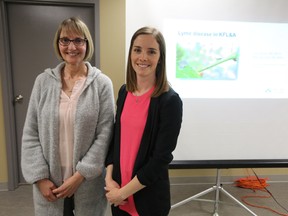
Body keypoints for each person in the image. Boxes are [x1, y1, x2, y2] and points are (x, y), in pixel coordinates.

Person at [21, 17, 115, 216]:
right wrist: (39, 178)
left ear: (86, 44)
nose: (71, 47)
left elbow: (105, 134)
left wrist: (81, 175)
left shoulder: (102, 84)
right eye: (65, 40)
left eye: (78, 40)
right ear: (58, 43)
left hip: (87, 182)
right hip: (49, 185)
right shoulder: (43, 82)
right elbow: (31, 132)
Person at [105, 27, 183, 216]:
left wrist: (122, 193)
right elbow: (116, 139)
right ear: (131, 53)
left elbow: (161, 159)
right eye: (137, 50)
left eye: (151, 51)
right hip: (118, 194)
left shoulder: (170, 101)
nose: (143, 57)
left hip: (147, 199)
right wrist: (108, 179)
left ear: (160, 58)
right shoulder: (124, 92)